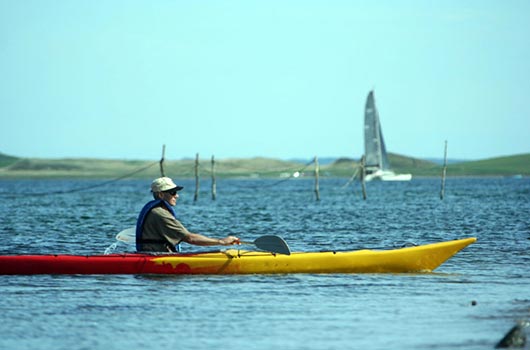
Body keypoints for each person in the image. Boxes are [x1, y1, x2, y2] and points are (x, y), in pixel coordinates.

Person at [136, 177, 240, 252]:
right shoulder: (159, 213)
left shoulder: (156, 210)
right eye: (173, 192)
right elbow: (190, 238)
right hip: (154, 256)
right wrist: (221, 241)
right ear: (161, 194)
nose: (177, 196)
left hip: (153, 253)